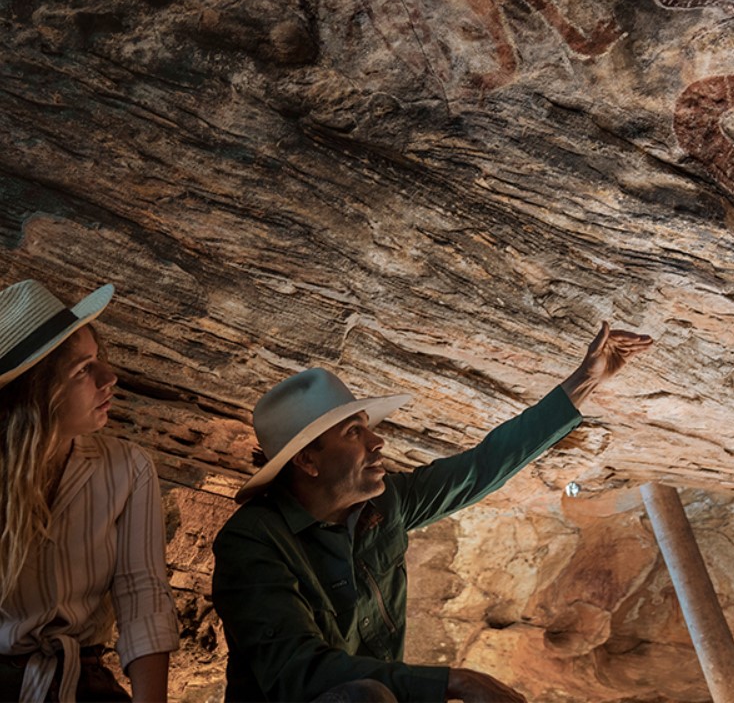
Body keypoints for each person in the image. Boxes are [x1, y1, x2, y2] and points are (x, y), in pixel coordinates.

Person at [212, 322, 653, 702]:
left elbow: (483, 467)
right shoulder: (252, 542)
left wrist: (585, 379)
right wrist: (453, 681)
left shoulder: (385, 504)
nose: (376, 442)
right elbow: (300, 672)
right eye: (353, 432)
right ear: (308, 462)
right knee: (363, 696)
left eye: (368, 427)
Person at [0, 279, 179, 702]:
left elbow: (143, 597)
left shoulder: (127, 468)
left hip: (81, 682)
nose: (109, 377)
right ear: (35, 392)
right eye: (83, 370)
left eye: (97, 359)